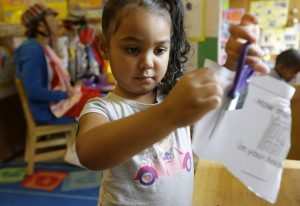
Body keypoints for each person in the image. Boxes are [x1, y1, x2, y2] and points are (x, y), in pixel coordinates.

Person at [76, 0, 269, 205]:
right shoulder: (103, 109)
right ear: (105, 47)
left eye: (159, 50)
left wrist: (234, 64)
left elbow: (218, 110)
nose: (148, 63)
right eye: (133, 49)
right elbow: (90, 154)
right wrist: (168, 114)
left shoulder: (173, 97)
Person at [14, 4, 100, 125]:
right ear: (41, 25)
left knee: (96, 96)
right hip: (46, 111)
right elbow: (34, 91)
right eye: (52, 19)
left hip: (53, 104)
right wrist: (65, 95)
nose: (58, 23)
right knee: (99, 105)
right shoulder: (31, 50)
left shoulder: (43, 47)